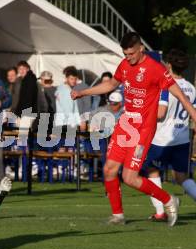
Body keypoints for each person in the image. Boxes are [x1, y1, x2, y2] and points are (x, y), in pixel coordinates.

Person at [71, 32, 196, 227]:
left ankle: (169, 200)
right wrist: (82, 92)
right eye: (125, 53)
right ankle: (118, 215)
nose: (127, 57)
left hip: (144, 129)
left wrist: (194, 116)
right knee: (109, 169)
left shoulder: (156, 70)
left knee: (130, 178)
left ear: (141, 49)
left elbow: (181, 96)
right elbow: (111, 84)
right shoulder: (125, 65)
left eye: (130, 53)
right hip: (125, 125)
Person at [142, 49, 196, 221]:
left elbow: (160, 113)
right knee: (181, 177)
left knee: (152, 171)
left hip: (162, 138)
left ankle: (160, 212)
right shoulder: (191, 88)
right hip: (182, 138)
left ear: (169, 65)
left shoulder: (165, 84)